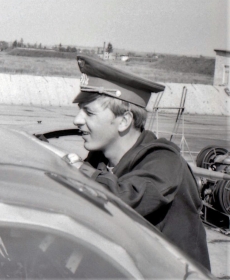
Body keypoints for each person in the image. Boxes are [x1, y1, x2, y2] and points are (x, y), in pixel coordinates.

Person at [65, 55, 211, 270]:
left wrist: (76, 169)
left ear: (124, 121)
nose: (77, 120)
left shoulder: (165, 161)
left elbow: (121, 199)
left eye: (88, 112)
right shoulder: (100, 159)